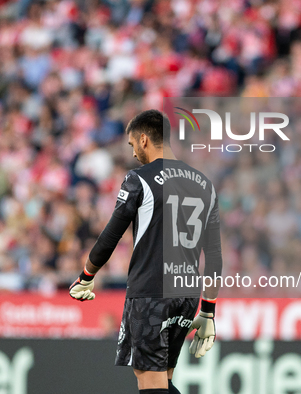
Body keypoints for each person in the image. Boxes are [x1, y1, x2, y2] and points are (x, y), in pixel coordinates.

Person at [69, 109, 223, 394]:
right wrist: (209, 311)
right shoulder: (206, 184)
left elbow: (111, 234)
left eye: (131, 145)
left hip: (151, 292)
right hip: (187, 296)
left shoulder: (139, 179)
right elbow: (214, 256)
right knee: (162, 381)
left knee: (150, 385)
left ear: (143, 140)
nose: (133, 152)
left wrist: (86, 274)